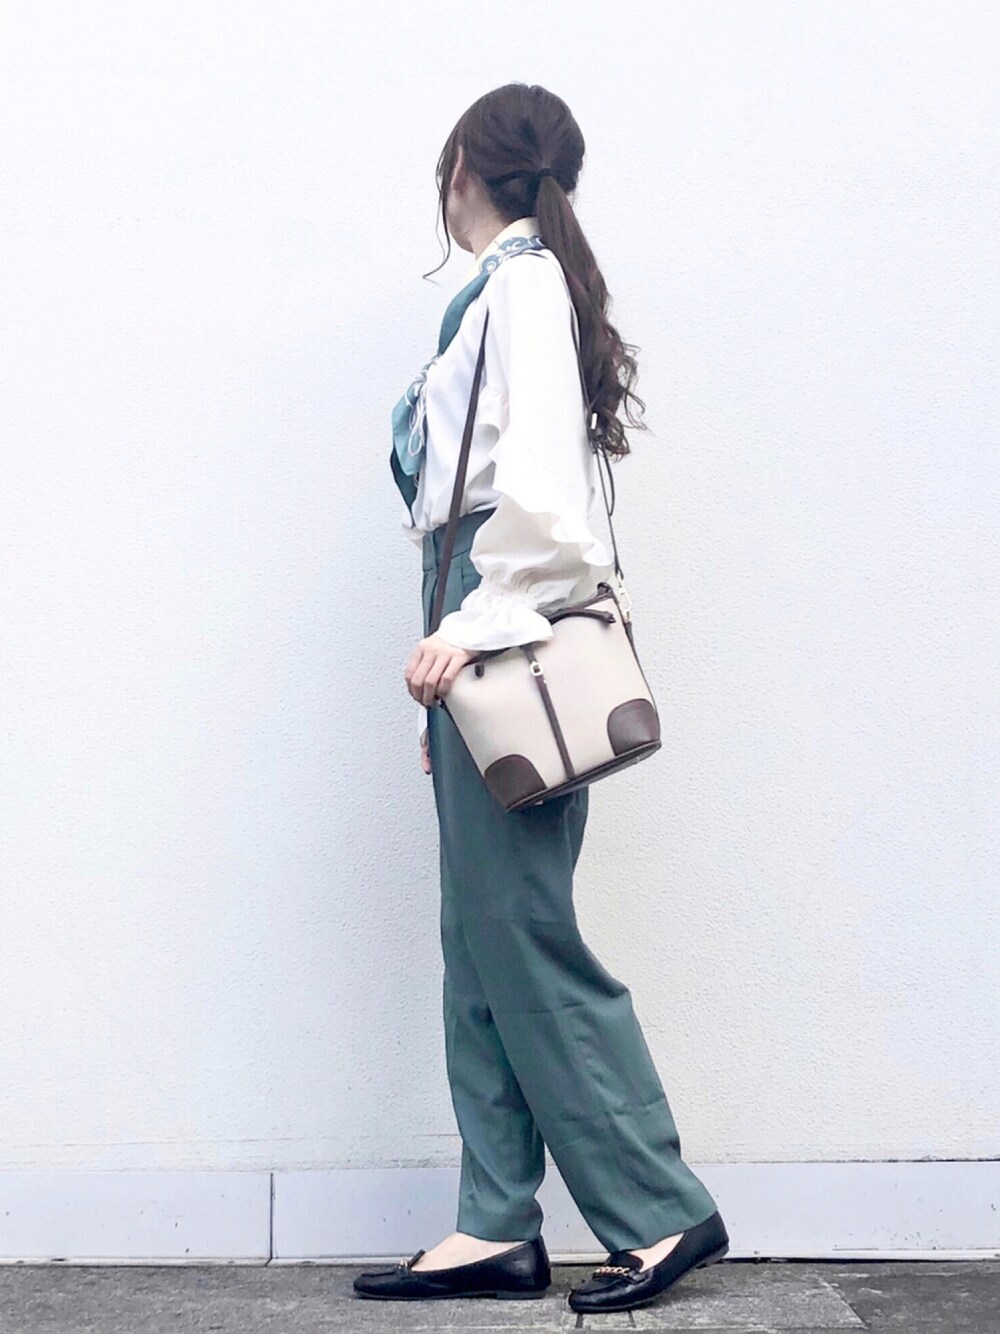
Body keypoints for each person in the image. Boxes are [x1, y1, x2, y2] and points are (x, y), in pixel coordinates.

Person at [354, 82, 729, 1316]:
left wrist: (469, 629)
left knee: (521, 929)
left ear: (462, 165)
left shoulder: (518, 284)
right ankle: (493, 1222)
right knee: (479, 931)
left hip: (492, 609)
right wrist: (451, 663)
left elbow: (547, 510)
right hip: (468, 610)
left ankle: (658, 1204)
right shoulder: (503, 287)